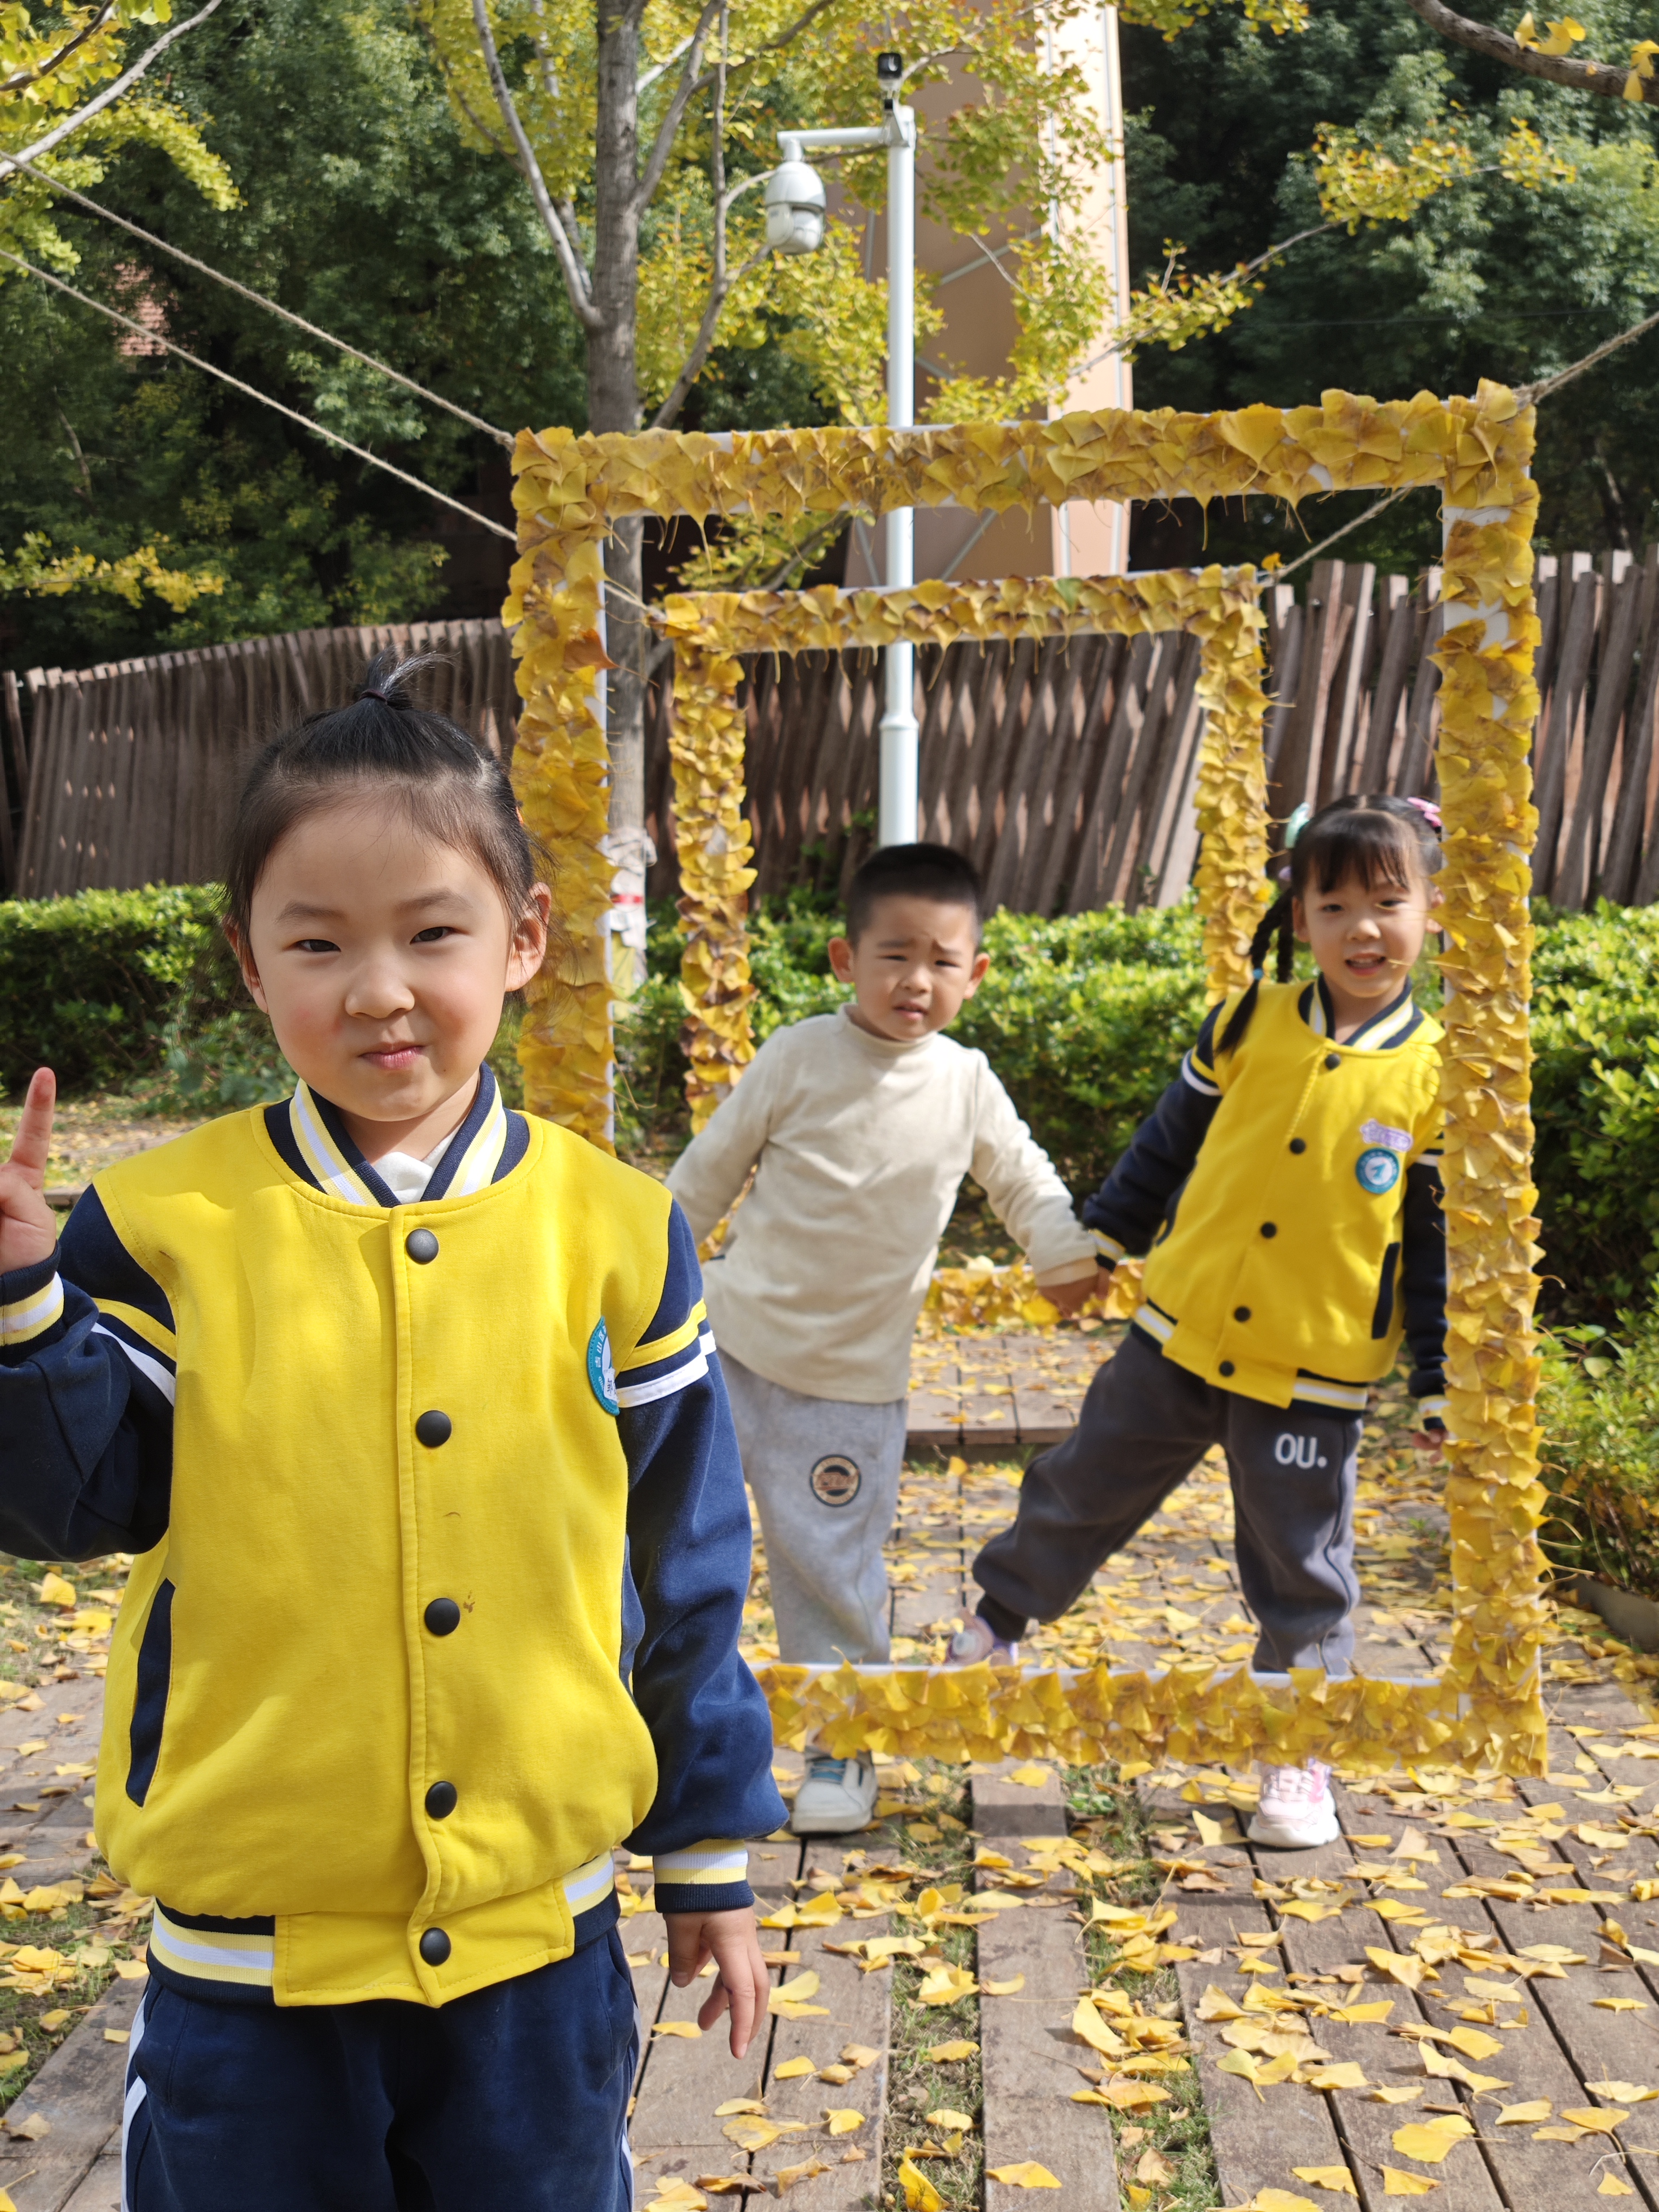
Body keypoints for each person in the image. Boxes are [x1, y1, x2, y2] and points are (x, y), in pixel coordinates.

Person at [0, 653, 785, 2211]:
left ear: (527, 940)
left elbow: (684, 1563)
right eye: (318, 942)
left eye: (433, 933)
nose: (378, 988)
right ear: (248, 963)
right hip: (248, 1955)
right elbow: (75, 1503)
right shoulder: (160, 1224)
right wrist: (25, 1303)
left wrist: (707, 1856)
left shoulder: (619, 1236)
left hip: (535, 1941)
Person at [949, 794, 1449, 1851]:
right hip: (1173, 1337)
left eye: (1389, 903)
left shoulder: (1440, 1077)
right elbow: (1160, 1151)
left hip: (1311, 1372)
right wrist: (1100, 1247)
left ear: (1434, 913)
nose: (1365, 928)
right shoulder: (1247, 1023)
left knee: (1301, 1561)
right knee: (1083, 1485)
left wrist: (1441, 1378)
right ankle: (995, 1627)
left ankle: (1299, 1742)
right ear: (1300, 919)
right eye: (1337, 904)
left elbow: (1442, 1246)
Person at [668, 842, 1098, 1836]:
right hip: (725, 1348)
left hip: (852, 1388)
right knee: (681, 1544)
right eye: (894, 955)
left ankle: (842, 1745)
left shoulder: (967, 1082)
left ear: (976, 973)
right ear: (842, 959)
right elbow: (705, 1175)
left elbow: (1025, 1180)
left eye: (944, 961)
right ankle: (675, 1737)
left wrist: (1063, 1254)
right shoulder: (797, 1057)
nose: (918, 980)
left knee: (830, 1570)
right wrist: (640, 1284)